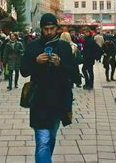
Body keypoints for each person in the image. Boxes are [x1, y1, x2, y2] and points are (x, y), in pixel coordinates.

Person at [21, 13, 76, 163]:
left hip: (58, 100)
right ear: (41, 29)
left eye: (52, 28)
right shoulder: (33, 46)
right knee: (43, 141)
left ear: (57, 29)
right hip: (39, 100)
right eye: (46, 29)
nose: (49, 32)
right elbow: (24, 71)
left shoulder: (64, 47)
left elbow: (74, 73)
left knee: (51, 138)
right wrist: (36, 61)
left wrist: (60, 64)